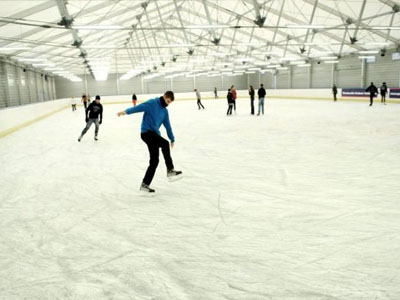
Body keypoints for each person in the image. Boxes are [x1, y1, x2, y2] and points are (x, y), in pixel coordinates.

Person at [116, 91, 182, 194]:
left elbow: (168, 126)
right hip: (146, 133)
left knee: (154, 161)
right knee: (164, 144)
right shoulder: (152, 103)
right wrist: (125, 112)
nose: (168, 104)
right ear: (164, 97)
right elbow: (138, 108)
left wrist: (172, 138)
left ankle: (145, 184)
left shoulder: (164, 111)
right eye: (167, 101)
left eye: (170, 103)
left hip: (154, 135)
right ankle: (170, 169)